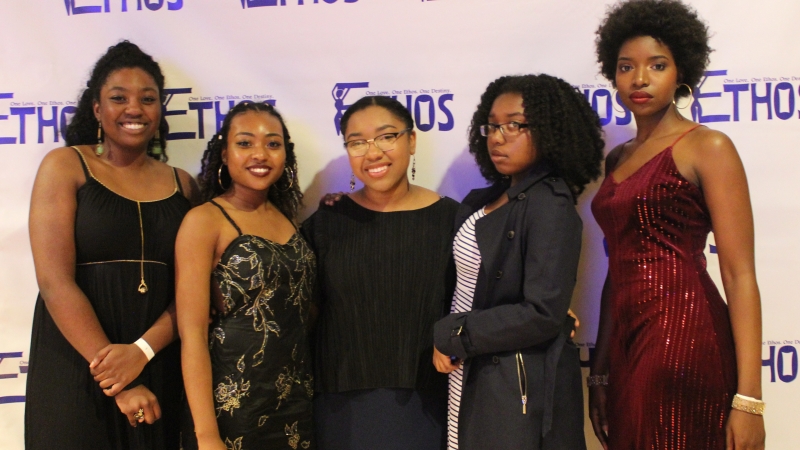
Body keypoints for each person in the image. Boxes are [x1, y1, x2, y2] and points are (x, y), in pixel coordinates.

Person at [589, 1, 766, 449]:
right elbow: (619, 266)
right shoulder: (617, 159)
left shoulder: (707, 146)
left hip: (684, 336)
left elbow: (739, 274)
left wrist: (749, 400)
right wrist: (601, 369)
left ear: (681, 71)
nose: (640, 79)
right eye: (626, 67)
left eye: (657, 65)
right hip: (628, 346)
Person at [25, 41, 198, 449]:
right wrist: (118, 378)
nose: (134, 109)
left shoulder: (185, 185)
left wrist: (140, 352)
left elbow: (194, 293)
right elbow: (54, 282)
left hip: (158, 363)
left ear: (160, 111)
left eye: (148, 98)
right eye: (118, 98)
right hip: (77, 363)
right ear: (98, 110)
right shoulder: (65, 165)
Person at [433, 74, 604, 450]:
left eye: (514, 125)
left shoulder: (550, 204)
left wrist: (454, 333)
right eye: (492, 125)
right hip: (469, 372)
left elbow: (541, 312)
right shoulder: (488, 198)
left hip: (511, 388)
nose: (497, 136)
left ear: (549, 131)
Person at [302, 95, 459, 450]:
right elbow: (295, 303)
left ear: (412, 140)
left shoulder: (452, 219)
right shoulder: (327, 222)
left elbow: (484, 292)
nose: (372, 152)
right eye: (357, 142)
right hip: (339, 408)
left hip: (427, 404)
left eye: (386, 136)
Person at [176, 101, 315, 450]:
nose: (260, 154)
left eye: (273, 143)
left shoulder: (289, 218)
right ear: (224, 154)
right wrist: (206, 434)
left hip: (294, 405)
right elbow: (192, 335)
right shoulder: (204, 221)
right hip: (231, 410)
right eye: (245, 143)